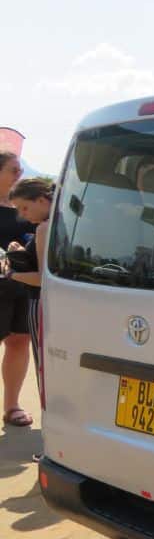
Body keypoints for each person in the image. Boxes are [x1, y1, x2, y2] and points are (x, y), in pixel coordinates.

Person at [7, 178, 53, 385]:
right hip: (63, 304)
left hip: (40, 304)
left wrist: (9, 274)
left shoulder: (44, 228)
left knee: (44, 369)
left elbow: (43, 279)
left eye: (24, 207)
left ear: (42, 200)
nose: (22, 215)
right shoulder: (66, 222)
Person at [0, 152, 34, 427]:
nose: (19, 174)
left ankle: (12, 407)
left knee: (20, 341)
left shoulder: (25, 204)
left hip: (24, 286)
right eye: (14, 170)